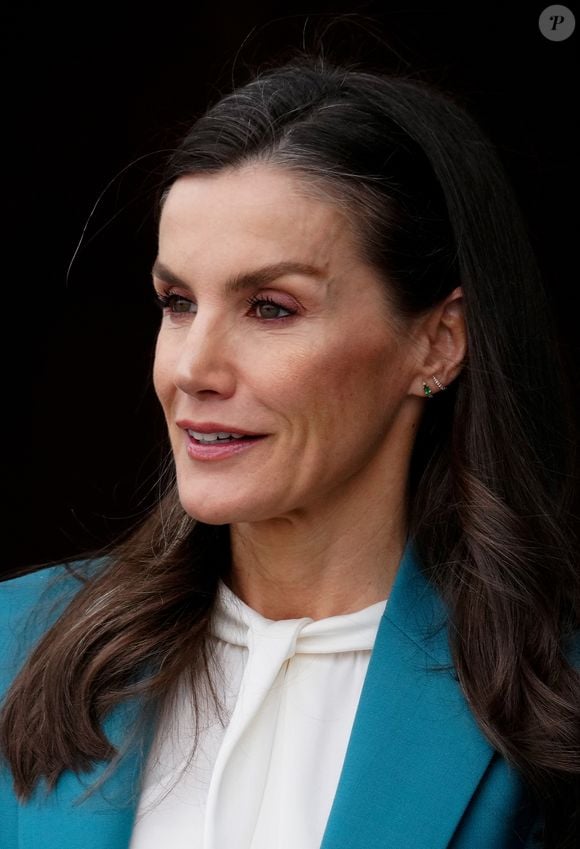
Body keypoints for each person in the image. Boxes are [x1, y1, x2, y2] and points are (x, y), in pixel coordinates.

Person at [1, 50, 579, 849]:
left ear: (438, 343)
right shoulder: (12, 646)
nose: (193, 369)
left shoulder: (558, 701)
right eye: (177, 302)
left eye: (270, 308)